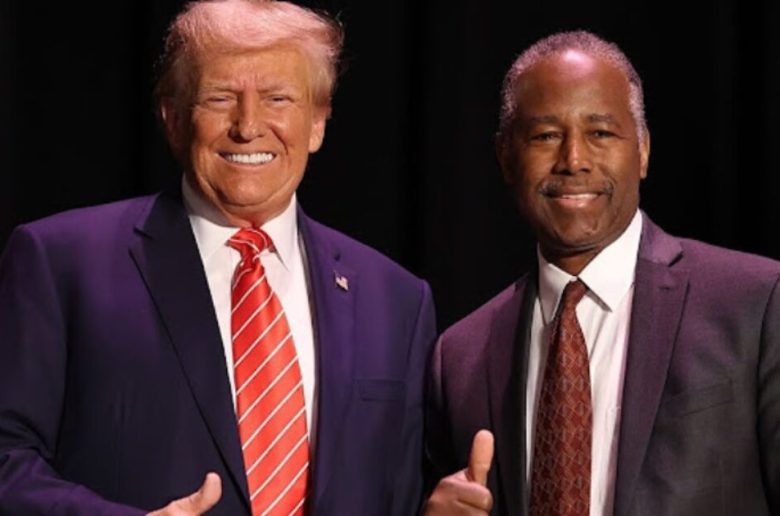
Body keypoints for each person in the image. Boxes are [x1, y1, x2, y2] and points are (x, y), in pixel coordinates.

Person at [0, 1, 436, 514]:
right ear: (172, 118)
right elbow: (7, 458)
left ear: (317, 122)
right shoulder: (61, 263)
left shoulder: (396, 300)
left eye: (278, 98)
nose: (248, 126)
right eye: (220, 97)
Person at [424, 30, 780, 515]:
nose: (573, 160)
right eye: (546, 136)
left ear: (644, 150)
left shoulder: (756, 303)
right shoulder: (460, 357)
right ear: (506, 157)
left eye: (601, 133)